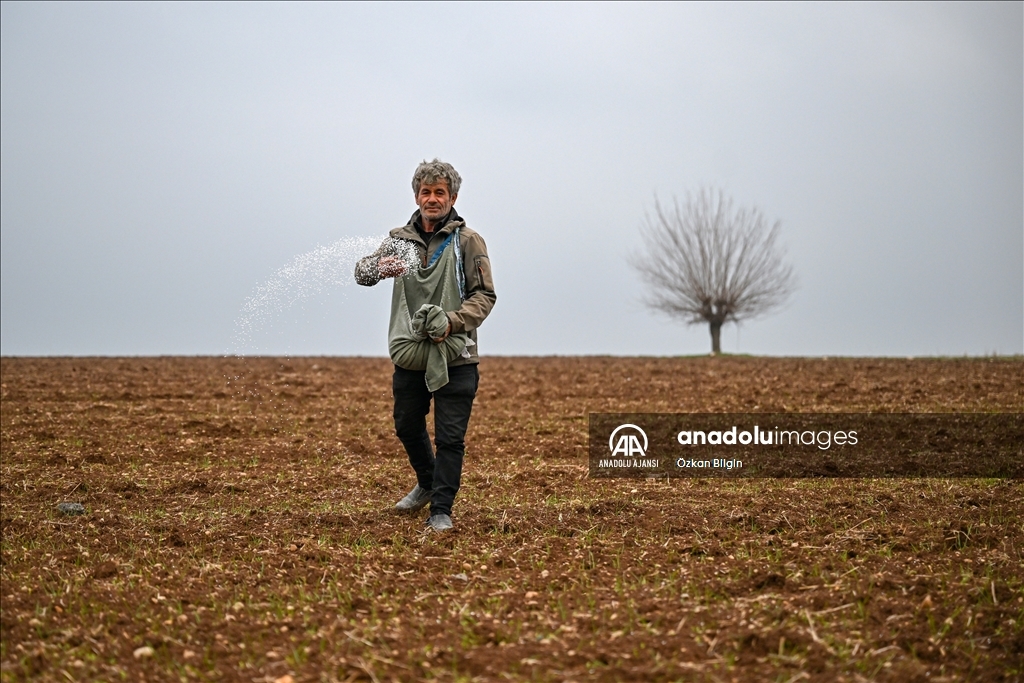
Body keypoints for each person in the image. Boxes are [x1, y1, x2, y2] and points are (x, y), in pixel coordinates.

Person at [354, 159, 496, 532]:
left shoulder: (468, 241)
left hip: (457, 355)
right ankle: (427, 482)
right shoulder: (399, 241)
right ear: (416, 196)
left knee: (450, 437)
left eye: (439, 193)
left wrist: (451, 321)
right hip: (411, 355)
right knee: (406, 424)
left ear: (453, 197)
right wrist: (378, 268)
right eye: (425, 192)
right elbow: (362, 273)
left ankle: (441, 510)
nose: (432, 199)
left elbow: (484, 296)